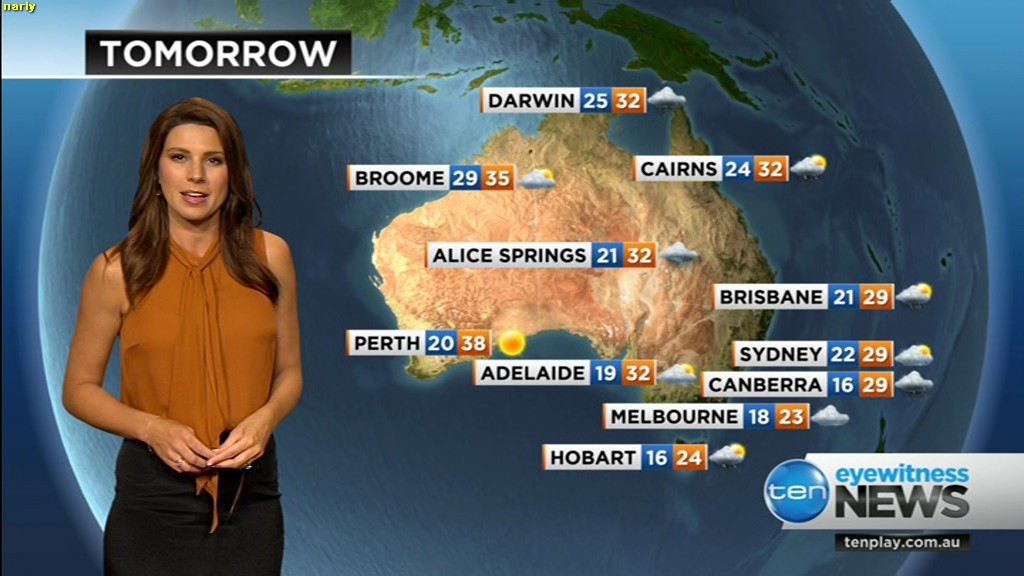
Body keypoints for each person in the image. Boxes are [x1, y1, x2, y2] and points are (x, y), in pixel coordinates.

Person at [62, 97, 302, 575]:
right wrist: (152, 429)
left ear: (232, 174)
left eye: (213, 160)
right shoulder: (116, 270)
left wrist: (265, 420)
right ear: (156, 172)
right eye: (179, 158)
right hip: (151, 504)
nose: (196, 176)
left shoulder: (271, 257)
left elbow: (290, 373)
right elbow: (79, 390)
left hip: (250, 503)